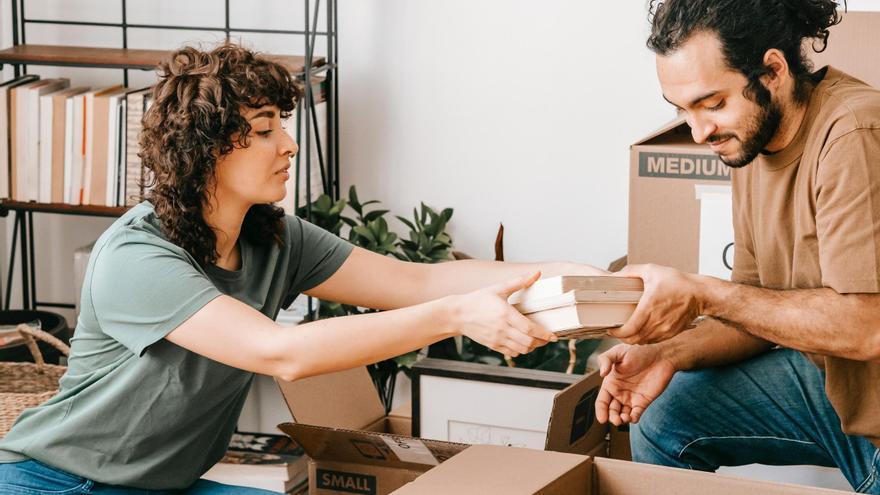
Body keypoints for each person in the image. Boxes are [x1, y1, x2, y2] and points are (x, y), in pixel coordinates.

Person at [0, 43, 606, 494]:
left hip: (162, 486)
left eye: (283, 126)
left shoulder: (274, 237)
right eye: (265, 130)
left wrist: (570, 273)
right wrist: (454, 317)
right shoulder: (139, 256)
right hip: (59, 481)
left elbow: (413, 281)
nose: (288, 145)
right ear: (205, 147)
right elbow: (279, 352)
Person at [593, 0, 880, 492]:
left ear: (773, 71)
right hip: (835, 385)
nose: (699, 131)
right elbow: (754, 308)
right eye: (683, 110)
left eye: (712, 103)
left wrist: (701, 292)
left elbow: (866, 327)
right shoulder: (752, 142)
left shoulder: (854, 133)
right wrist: (668, 353)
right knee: (665, 417)